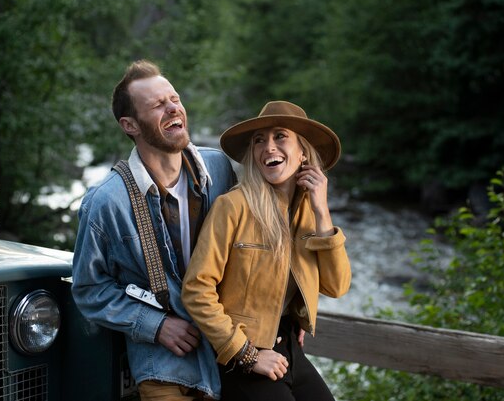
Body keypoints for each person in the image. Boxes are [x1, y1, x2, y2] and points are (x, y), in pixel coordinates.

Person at [72, 59, 237, 401]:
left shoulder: (220, 168)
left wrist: (290, 310)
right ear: (130, 124)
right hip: (164, 365)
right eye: (158, 105)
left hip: (228, 346)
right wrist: (155, 325)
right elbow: (89, 289)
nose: (173, 108)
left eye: (174, 99)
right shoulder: (106, 202)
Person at [181, 100, 351, 401]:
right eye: (259, 140)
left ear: (303, 154)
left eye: (280, 136)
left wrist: (323, 212)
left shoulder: (310, 213)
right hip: (241, 356)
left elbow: (336, 286)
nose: (268, 147)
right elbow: (196, 290)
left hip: (289, 348)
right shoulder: (233, 207)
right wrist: (247, 354)